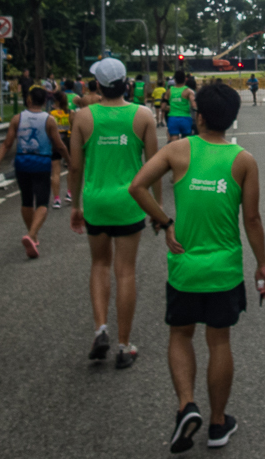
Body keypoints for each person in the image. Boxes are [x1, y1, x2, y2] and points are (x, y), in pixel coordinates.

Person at [128, 83, 265, 453]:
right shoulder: (243, 161)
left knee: (180, 334)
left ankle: (186, 405)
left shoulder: (178, 150)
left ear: (200, 116)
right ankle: (218, 424)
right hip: (224, 271)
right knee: (219, 340)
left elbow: (138, 186)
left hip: (184, 269)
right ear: (232, 118)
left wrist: (165, 222)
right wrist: (263, 265)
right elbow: (252, 220)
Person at [68, 58, 161, 369]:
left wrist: (75, 205)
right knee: (125, 272)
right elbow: (153, 167)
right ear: (126, 84)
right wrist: (158, 211)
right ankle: (124, 345)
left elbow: (75, 166)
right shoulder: (143, 115)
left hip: (95, 202)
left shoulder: (82, 117)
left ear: (97, 85)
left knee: (99, 264)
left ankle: (101, 329)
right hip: (129, 204)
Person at [0, 86, 70, 258]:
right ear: (45, 101)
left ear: (29, 100)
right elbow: (59, 145)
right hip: (41, 162)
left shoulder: (17, 119)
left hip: (22, 162)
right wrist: (70, 161)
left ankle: (33, 235)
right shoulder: (49, 120)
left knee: (26, 200)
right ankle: (31, 235)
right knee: (42, 202)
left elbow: (6, 144)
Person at [49, 91, 72, 209]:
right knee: (70, 168)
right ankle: (69, 193)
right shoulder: (70, 112)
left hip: (55, 142)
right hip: (68, 141)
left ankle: (56, 199)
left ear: (55, 101)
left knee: (56, 172)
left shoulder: (51, 114)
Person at [164, 71, 196, 143]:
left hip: (173, 118)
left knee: (174, 139)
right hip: (185, 118)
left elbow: (163, 105)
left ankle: (174, 153)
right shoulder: (188, 91)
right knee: (186, 140)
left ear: (175, 80)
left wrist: (167, 108)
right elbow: (193, 105)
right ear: (185, 79)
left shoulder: (169, 91)